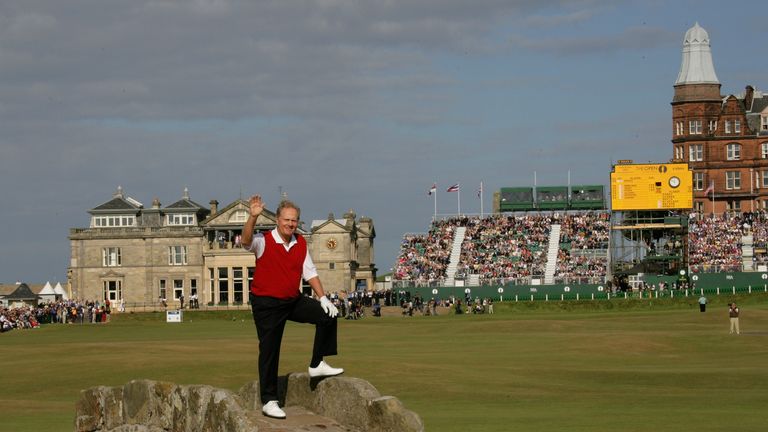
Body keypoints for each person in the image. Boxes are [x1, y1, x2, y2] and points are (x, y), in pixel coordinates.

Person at [242, 195, 342, 420]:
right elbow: (246, 241)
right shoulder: (264, 239)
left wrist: (323, 298)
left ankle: (317, 364)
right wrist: (252, 217)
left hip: (292, 300)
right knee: (270, 350)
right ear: (278, 220)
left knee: (327, 315)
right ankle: (269, 400)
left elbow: (310, 272)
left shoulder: (301, 242)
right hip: (266, 304)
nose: (290, 224)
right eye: (287, 220)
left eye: (294, 220)